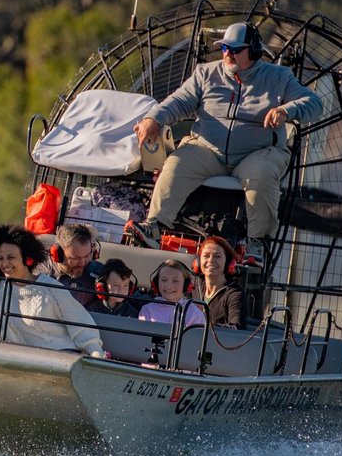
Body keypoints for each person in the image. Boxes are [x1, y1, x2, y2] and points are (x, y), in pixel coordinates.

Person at [133, 22, 322, 262]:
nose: (227, 54)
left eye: (235, 49)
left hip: (258, 152)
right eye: (224, 48)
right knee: (176, 164)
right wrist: (154, 119)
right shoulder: (206, 73)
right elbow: (178, 102)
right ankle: (154, 226)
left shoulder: (279, 77)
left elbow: (314, 104)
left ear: (253, 51)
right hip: (207, 149)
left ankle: (257, 243)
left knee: (262, 176)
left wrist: (286, 110)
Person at [0, 225, 106, 356]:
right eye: (1, 259)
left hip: (63, 356)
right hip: (27, 359)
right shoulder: (2, 288)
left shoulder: (51, 288)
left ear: (27, 258)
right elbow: (2, 330)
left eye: (11, 258)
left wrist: (96, 354)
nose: (5, 264)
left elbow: (82, 326)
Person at [47, 223, 105, 307]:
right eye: (75, 258)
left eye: (87, 256)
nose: (82, 263)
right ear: (57, 254)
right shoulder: (39, 274)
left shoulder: (102, 274)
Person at [137, 259, 206, 329]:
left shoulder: (194, 314)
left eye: (175, 281)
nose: (169, 286)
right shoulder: (147, 310)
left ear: (186, 284)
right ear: (156, 283)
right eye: (164, 280)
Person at [195, 235, 244, 328]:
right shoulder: (194, 286)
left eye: (217, 256)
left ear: (228, 263)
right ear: (198, 261)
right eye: (206, 256)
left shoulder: (234, 294)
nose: (211, 260)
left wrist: (211, 328)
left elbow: (237, 328)